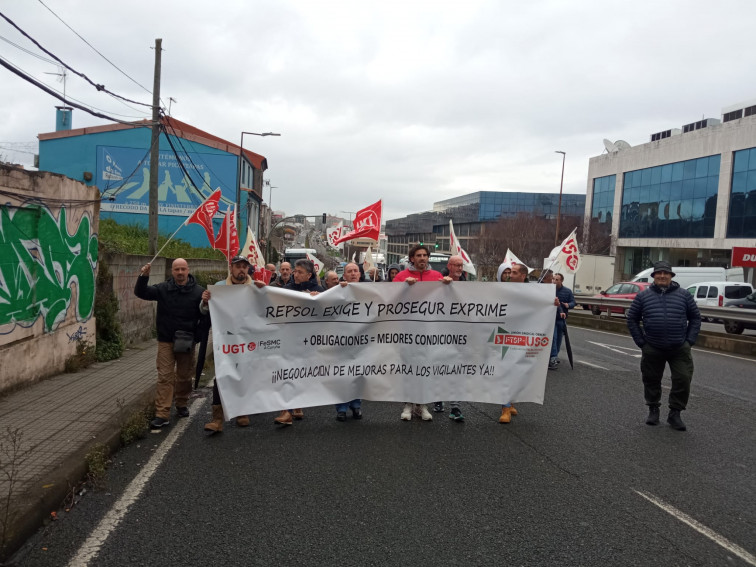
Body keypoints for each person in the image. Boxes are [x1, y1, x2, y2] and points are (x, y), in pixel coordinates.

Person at [626, 261, 701, 431]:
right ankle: (653, 409)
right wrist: (641, 342)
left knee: (683, 379)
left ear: (671, 276)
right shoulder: (643, 296)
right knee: (651, 379)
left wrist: (689, 341)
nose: (662, 276)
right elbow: (632, 319)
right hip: (653, 346)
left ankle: (675, 413)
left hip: (679, 347)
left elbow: (695, 318)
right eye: (658, 273)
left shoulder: (684, 295)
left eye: (666, 273)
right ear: (653, 276)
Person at [134, 258, 205, 429]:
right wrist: (144, 276)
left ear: (188, 270)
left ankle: (181, 403)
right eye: (176, 269)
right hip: (166, 340)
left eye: (183, 269)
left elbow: (205, 316)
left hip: (187, 341)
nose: (180, 273)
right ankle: (162, 413)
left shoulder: (199, 292)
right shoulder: (163, 289)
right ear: (172, 272)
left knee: (184, 376)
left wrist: (197, 337)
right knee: (165, 376)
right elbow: (141, 292)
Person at [200, 255, 260, 433]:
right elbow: (204, 311)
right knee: (222, 376)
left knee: (244, 375)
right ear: (231, 269)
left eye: (244, 266)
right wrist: (205, 301)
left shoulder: (256, 288)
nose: (241, 269)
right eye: (238, 266)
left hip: (248, 340)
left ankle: (242, 412)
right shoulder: (219, 288)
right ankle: (217, 418)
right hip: (226, 340)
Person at [395, 244, 451, 421]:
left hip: (429, 331)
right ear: (412, 258)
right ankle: (408, 404)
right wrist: (403, 286)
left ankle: (422, 404)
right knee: (409, 368)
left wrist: (449, 286)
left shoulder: (437, 276)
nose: (422, 258)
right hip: (408, 330)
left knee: (426, 367)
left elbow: (447, 301)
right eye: (418, 255)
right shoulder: (401, 276)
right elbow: (390, 299)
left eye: (425, 255)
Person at [274, 259, 324, 425]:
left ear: (309, 275)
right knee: (287, 372)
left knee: (300, 374)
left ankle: (297, 405)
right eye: (294, 271)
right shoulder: (287, 289)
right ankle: (286, 411)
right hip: (289, 338)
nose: (295, 274)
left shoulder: (318, 290)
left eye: (299, 272)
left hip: (308, 341)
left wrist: (320, 301)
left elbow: (327, 315)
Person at [494, 261, 530, 423]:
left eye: (514, 273)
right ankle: (505, 407)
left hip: (522, 336)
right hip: (504, 334)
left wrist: (553, 304)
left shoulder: (534, 292)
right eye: (508, 272)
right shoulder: (501, 290)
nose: (510, 275)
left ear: (523, 276)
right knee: (506, 369)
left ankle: (511, 401)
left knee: (517, 369)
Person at [433, 255, 466, 421]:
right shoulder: (439, 282)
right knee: (439, 367)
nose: (459, 268)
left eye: (461, 265)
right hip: (439, 333)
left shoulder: (468, 286)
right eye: (456, 265)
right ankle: (438, 399)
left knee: (456, 370)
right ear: (449, 266)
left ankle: (455, 407)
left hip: (459, 335)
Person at [334, 262, 364, 421]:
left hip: (362, 340)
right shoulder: (336, 292)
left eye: (355, 271)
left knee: (358, 373)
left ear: (360, 274)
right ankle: (342, 407)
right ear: (344, 275)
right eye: (349, 271)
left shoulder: (370, 291)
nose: (353, 274)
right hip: (342, 340)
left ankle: (356, 405)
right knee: (342, 374)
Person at [551, 273, 576, 367]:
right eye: (553, 279)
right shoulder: (550, 290)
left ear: (561, 281)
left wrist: (568, 305)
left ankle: (555, 356)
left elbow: (573, 302)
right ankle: (553, 357)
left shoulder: (567, 291)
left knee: (559, 339)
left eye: (557, 279)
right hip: (552, 318)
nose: (554, 281)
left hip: (562, 319)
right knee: (553, 337)